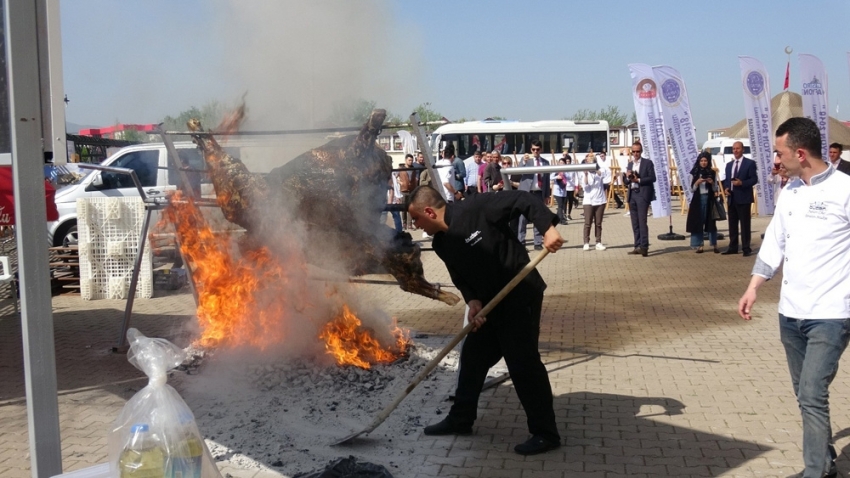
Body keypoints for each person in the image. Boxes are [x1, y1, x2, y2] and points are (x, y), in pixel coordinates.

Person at [408, 185, 563, 456]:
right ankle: (461, 419)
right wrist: (472, 300)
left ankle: (545, 433)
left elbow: (522, 198)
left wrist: (547, 228)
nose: (415, 224)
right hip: (490, 306)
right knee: (473, 357)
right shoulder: (441, 243)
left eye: (417, 218)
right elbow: (459, 276)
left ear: (429, 212)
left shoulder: (476, 208)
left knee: (523, 364)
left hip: (519, 295)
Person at [737, 117, 850, 478]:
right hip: (791, 315)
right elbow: (775, 243)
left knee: (813, 393)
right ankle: (825, 461)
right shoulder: (791, 191)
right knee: (805, 396)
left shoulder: (846, 189)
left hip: (831, 314)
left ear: (800, 153)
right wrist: (754, 286)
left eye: (779, 151)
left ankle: (815, 471)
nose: (775, 159)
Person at [721, 141, 758, 257]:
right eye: (733, 149)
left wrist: (742, 183)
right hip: (731, 198)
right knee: (732, 224)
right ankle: (733, 247)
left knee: (745, 224)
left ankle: (746, 247)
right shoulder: (729, 165)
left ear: (742, 150)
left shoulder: (749, 164)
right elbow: (727, 180)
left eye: (737, 148)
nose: (735, 151)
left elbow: (754, 179)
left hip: (744, 198)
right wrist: (726, 188)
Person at [517, 140, 551, 251]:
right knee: (522, 219)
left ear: (541, 149)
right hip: (526, 193)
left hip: (539, 193)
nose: (535, 151)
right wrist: (523, 162)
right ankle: (521, 242)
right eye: (533, 149)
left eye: (537, 149)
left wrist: (547, 195)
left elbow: (546, 180)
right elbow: (518, 172)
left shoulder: (545, 163)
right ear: (530, 150)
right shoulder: (526, 160)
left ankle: (537, 243)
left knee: (538, 218)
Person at [685, 152, 719, 253]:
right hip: (697, 200)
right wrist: (697, 182)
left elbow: (715, 188)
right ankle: (699, 245)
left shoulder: (712, 173)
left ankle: (714, 244)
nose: (703, 163)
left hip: (709, 199)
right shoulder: (694, 172)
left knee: (711, 222)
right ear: (699, 161)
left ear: (708, 162)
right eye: (701, 161)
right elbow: (691, 189)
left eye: (705, 161)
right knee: (697, 222)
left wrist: (712, 182)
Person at [626, 143, 656, 256]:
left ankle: (644, 247)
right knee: (635, 223)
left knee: (642, 221)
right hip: (632, 194)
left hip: (642, 194)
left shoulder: (647, 163)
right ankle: (637, 245)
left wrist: (638, 180)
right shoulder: (630, 164)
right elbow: (626, 182)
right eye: (633, 151)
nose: (635, 154)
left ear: (641, 151)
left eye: (637, 151)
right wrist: (626, 177)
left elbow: (653, 178)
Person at [580, 156, 606, 251]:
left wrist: (595, 169)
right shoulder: (583, 173)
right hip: (588, 201)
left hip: (600, 200)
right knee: (588, 223)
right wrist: (586, 174)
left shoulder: (599, 171)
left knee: (598, 223)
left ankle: (598, 242)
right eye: (588, 163)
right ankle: (586, 242)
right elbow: (585, 186)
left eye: (592, 163)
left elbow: (603, 175)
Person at [551, 158, 569, 225]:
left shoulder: (566, 170)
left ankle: (556, 219)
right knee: (560, 205)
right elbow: (550, 177)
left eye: (563, 162)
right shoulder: (556, 170)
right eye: (560, 162)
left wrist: (564, 174)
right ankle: (561, 220)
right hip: (557, 191)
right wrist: (556, 177)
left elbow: (569, 177)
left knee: (562, 205)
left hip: (563, 191)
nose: (561, 164)